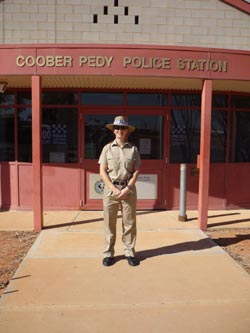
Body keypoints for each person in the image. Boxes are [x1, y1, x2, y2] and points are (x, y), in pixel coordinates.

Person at [98, 115, 141, 267]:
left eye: (123, 128)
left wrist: (128, 187)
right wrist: (114, 189)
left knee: (129, 223)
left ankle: (129, 251)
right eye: (117, 128)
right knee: (109, 223)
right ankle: (108, 253)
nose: (119, 130)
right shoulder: (107, 149)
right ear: (113, 130)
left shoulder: (133, 149)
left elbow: (136, 171)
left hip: (129, 190)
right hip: (111, 190)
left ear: (127, 131)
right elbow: (102, 171)